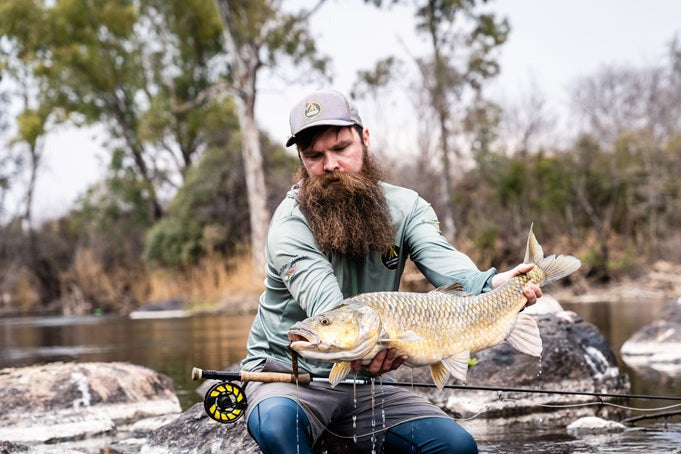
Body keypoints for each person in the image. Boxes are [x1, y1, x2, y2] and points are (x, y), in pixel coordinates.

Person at [240, 88, 542, 454]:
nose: (330, 165)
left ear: (365, 139)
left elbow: (445, 261)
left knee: (457, 447)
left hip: (369, 385)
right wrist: (365, 346)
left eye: (340, 148)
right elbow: (328, 305)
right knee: (279, 429)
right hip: (289, 379)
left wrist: (492, 283)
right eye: (314, 155)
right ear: (301, 158)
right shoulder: (289, 224)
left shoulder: (406, 206)